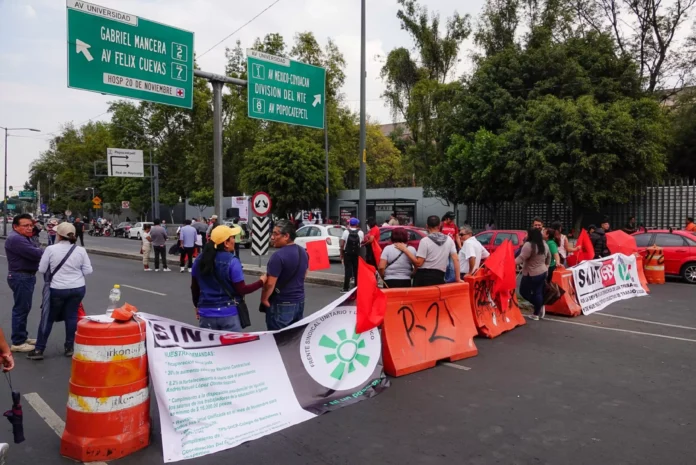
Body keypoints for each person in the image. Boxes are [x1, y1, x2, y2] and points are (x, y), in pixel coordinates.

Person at [28, 223, 92, 360]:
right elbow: (88, 270)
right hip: (78, 288)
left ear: (58, 235)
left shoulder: (50, 249)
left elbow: (42, 269)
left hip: (57, 289)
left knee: (48, 318)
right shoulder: (80, 250)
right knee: (71, 317)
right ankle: (69, 347)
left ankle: (39, 349)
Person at [191, 225, 266, 331]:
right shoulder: (232, 261)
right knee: (231, 347)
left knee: (212, 347)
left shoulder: (199, 260)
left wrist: (197, 306)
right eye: (233, 238)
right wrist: (261, 282)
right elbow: (242, 289)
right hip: (228, 314)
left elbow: (194, 287)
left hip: (206, 313)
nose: (234, 241)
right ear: (226, 243)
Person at [5, 214, 43, 353]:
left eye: (30, 225)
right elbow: (37, 253)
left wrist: (34, 236)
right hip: (21, 276)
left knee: (24, 308)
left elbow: (36, 246)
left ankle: (22, 336)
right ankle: (18, 342)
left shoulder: (23, 237)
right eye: (25, 226)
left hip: (25, 276)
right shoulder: (16, 239)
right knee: (21, 309)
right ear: (15, 227)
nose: (29, 228)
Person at [261, 220, 308, 330]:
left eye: (275, 234)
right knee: (293, 339)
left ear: (286, 236)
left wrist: (264, 299)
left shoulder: (278, 256)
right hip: (299, 301)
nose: (272, 237)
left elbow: (270, 284)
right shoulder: (303, 252)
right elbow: (304, 274)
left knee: (278, 341)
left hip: (281, 303)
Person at [397, 215, 461, 287]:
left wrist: (405, 250)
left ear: (427, 226)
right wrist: (458, 278)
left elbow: (419, 263)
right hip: (439, 276)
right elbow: (456, 259)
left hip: (423, 277)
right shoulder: (449, 240)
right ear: (439, 225)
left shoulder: (425, 241)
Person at [516, 228, 550, 321]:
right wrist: (546, 266)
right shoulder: (544, 244)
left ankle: (538, 305)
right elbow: (549, 257)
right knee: (537, 292)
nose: (526, 235)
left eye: (527, 233)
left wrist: (510, 263)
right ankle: (536, 312)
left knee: (523, 292)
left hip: (531, 273)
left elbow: (521, 258)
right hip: (542, 272)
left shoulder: (529, 245)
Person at [340, 218, 364, 293]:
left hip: (347, 253)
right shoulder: (360, 232)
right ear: (357, 224)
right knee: (356, 270)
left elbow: (342, 244)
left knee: (347, 270)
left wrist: (341, 254)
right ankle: (356, 287)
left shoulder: (346, 232)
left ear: (350, 224)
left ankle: (345, 288)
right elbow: (361, 242)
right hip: (356, 253)